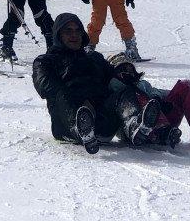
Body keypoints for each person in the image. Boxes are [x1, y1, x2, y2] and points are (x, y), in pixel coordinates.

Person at [31, 13, 149, 155]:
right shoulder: (45, 61)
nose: (74, 35)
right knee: (61, 93)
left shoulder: (93, 58)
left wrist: (126, 74)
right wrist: (81, 97)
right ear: (58, 35)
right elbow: (45, 86)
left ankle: (134, 125)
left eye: (77, 31)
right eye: (68, 31)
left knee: (123, 91)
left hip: (102, 122)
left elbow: (113, 78)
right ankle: (81, 128)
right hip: (65, 126)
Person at [107, 54, 190, 148]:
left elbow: (164, 93)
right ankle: (160, 132)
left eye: (129, 69)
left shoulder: (142, 85)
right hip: (137, 130)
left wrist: (160, 99)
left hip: (166, 124)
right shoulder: (114, 93)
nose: (127, 73)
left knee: (187, 86)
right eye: (122, 70)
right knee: (138, 95)